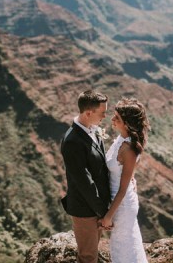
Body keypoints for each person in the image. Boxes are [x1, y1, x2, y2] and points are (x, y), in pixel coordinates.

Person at [61, 90, 111, 263]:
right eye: (102, 113)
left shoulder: (93, 129)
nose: (105, 117)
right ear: (89, 113)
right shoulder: (72, 141)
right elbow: (84, 182)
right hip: (85, 210)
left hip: (97, 205)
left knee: (93, 252)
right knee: (88, 257)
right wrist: (103, 212)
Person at [100, 97, 149, 263]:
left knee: (123, 250)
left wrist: (108, 216)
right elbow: (127, 172)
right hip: (118, 200)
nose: (112, 119)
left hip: (122, 205)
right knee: (123, 247)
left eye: (117, 118)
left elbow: (122, 189)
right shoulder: (122, 139)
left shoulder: (128, 149)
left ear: (127, 124)